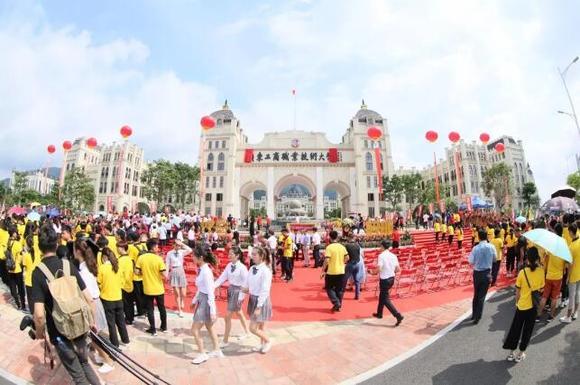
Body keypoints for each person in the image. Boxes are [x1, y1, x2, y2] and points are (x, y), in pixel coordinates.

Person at [31, 225, 102, 385]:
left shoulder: (37, 273)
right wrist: (91, 322)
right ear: (57, 244)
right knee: (84, 363)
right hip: (80, 326)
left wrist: (40, 333)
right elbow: (89, 298)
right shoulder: (68, 265)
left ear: (39, 246)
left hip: (59, 333)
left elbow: (40, 314)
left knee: (78, 376)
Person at [73, 237, 115, 374]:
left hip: (92, 305)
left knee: (95, 337)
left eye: (74, 249)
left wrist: (91, 318)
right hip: (95, 303)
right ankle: (102, 356)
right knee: (97, 336)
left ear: (78, 251)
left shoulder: (84, 272)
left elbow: (89, 298)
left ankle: (108, 361)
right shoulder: (89, 266)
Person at [503, 247, 544, 362]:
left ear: (527, 259)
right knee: (527, 330)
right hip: (533, 307)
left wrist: (517, 302)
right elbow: (541, 289)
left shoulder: (522, 272)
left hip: (522, 305)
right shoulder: (541, 272)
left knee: (515, 329)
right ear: (537, 259)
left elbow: (517, 292)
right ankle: (521, 353)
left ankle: (511, 353)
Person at [190, 245, 222, 364]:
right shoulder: (203, 269)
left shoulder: (206, 272)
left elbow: (210, 292)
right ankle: (217, 350)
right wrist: (194, 300)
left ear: (201, 257)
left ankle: (202, 353)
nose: (192, 257)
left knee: (194, 330)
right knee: (209, 326)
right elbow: (201, 288)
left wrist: (213, 311)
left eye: (194, 255)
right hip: (203, 300)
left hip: (206, 302)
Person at [214, 246, 250, 347]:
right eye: (228, 253)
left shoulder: (242, 268)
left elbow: (246, 284)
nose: (229, 255)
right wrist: (213, 286)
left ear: (237, 256)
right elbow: (222, 278)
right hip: (231, 290)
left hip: (238, 292)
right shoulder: (229, 265)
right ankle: (247, 332)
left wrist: (241, 297)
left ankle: (225, 341)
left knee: (227, 316)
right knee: (238, 312)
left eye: (231, 254)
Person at [97, 247, 130, 348]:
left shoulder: (102, 268)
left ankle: (115, 343)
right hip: (118, 297)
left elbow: (99, 282)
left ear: (104, 257)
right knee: (121, 320)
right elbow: (122, 281)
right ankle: (125, 339)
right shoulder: (117, 267)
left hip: (107, 299)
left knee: (111, 323)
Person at [243, 246, 273, 354]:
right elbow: (247, 284)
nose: (252, 256)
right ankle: (262, 344)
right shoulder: (252, 268)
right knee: (261, 326)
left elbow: (265, 290)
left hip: (261, 300)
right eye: (252, 254)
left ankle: (268, 341)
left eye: (255, 254)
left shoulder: (266, 271)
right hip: (253, 298)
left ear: (261, 256)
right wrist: (242, 292)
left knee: (253, 328)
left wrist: (259, 306)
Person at [136, 239, 168, 336]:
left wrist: (145, 273)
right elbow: (164, 274)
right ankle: (164, 326)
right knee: (161, 308)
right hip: (158, 288)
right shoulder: (159, 259)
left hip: (148, 288)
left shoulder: (141, 258)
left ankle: (153, 329)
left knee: (150, 309)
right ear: (153, 247)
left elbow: (137, 272)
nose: (158, 248)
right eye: (157, 247)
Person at [370, 240, 404, 325]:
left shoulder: (381, 256)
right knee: (382, 296)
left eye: (380, 246)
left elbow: (379, 269)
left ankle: (397, 315)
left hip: (384, 280)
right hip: (391, 278)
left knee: (385, 299)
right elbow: (398, 269)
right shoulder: (393, 256)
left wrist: (372, 272)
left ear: (382, 246)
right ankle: (379, 313)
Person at [468, 229, 496, 324]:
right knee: (481, 296)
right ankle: (477, 317)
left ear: (479, 237)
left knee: (476, 294)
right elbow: (495, 259)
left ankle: (474, 314)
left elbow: (471, 261)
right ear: (487, 237)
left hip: (477, 273)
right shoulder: (491, 247)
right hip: (487, 272)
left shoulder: (475, 248)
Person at [322, 230, 349, 312]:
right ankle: (338, 305)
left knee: (329, 288)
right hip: (341, 271)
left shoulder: (329, 247)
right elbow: (347, 258)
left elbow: (326, 260)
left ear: (329, 237)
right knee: (339, 290)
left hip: (331, 271)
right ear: (337, 237)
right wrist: (342, 263)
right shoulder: (342, 247)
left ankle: (336, 302)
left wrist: (323, 270)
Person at [537, 247, 566, 322]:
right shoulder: (563, 254)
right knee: (554, 298)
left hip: (548, 276)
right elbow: (564, 268)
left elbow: (545, 264)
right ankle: (551, 316)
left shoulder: (550, 252)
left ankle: (538, 315)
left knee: (544, 296)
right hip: (558, 278)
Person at [165, 240, 192, 317]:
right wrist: (166, 275)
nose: (178, 246)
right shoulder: (169, 253)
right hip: (173, 271)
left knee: (183, 293)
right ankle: (180, 310)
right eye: (176, 244)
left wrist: (182, 244)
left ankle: (182, 301)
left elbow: (190, 250)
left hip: (181, 271)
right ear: (173, 245)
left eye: (179, 245)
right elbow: (167, 264)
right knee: (177, 293)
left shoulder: (182, 252)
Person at [561, 223, 580, 323]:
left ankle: (568, 317)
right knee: (577, 293)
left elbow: (569, 265)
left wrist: (567, 277)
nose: (568, 234)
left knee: (572, 296)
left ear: (572, 232)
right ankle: (575, 312)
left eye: (569, 232)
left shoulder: (572, 247)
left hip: (573, 275)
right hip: (579, 273)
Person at [7, 228, 26, 310]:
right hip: (17, 268)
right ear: (13, 233)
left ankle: (17, 303)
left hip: (9, 268)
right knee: (20, 287)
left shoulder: (8, 243)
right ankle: (23, 305)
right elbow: (21, 256)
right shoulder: (17, 244)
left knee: (13, 286)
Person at [116, 242, 135, 325]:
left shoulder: (121, 260)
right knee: (129, 303)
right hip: (129, 283)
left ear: (122, 248)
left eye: (118, 247)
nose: (117, 249)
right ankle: (130, 317)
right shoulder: (130, 259)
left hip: (123, 284)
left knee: (126, 304)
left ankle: (128, 318)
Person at [343, 236, 361, 300]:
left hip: (350, 264)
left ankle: (341, 293)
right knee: (357, 280)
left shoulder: (347, 245)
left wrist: (344, 262)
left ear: (348, 238)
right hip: (357, 263)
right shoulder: (357, 245)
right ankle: (357, 295)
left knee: (344, 279)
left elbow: (345, 255)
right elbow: (359, 255)